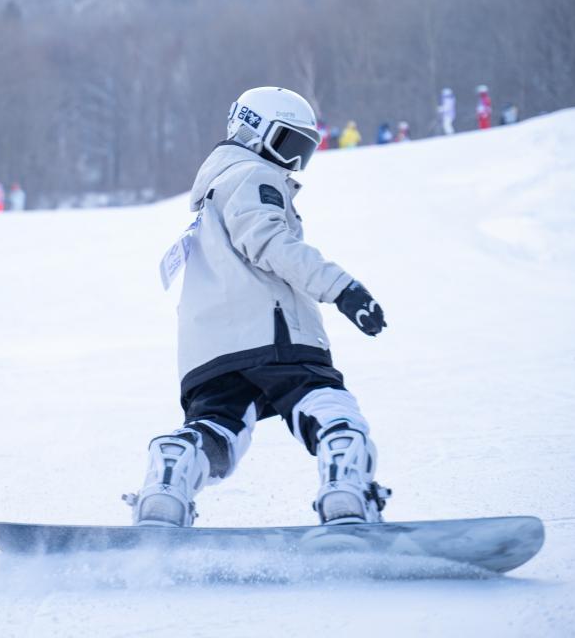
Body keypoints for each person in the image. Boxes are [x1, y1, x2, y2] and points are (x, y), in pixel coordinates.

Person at [126, 86, 390, 528]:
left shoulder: (213, 194)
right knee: (322, 400)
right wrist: (343, 289)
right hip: (273, 333)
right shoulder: (253, 177)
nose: (292, 162)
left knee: (219, 426)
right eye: (287, 144)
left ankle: (172, 477)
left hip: (211, 351)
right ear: (252, 130)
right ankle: (346, 484)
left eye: (302, 152)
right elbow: (271, 243)